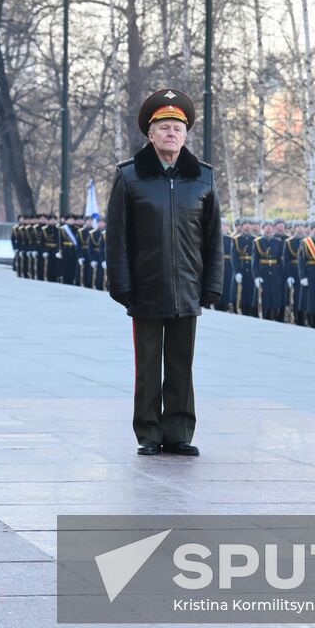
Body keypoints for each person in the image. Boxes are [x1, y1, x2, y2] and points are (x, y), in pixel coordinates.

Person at [106, 88, 221, 457]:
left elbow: (213, 238)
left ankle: (179, 432)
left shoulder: (203, 179)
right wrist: (121, 284)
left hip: (187, 285)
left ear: (186, 135)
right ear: (150, 135)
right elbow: (118, 237)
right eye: (164, 127)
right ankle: (149, 433)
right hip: (147, 286)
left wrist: (212, 283)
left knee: (181, 364)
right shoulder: (129, 177)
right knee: (148, 366)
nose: (172, 133)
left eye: (177, 128)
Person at [252, 221, 286, 321]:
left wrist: (281, 274)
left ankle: (273, 316)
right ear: (263, 228)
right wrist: (256, 276)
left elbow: (280, 260)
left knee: (274, 296)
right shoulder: (257, 242)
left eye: (271, 227)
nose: (269, 229)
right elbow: (255, 261)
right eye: (267, 226)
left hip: (275, 273)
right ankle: (263, 315)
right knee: (264, 296)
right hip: (263, 272)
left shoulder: (277, 242)